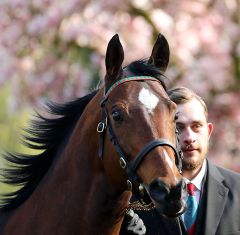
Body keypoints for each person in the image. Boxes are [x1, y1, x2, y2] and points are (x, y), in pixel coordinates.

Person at [120, 87, 240, 235]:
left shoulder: (238, 189)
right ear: (162, 134)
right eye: (179, 128)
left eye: (196, 127)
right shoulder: (131, 200)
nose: (189, 137)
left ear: (208, 132)